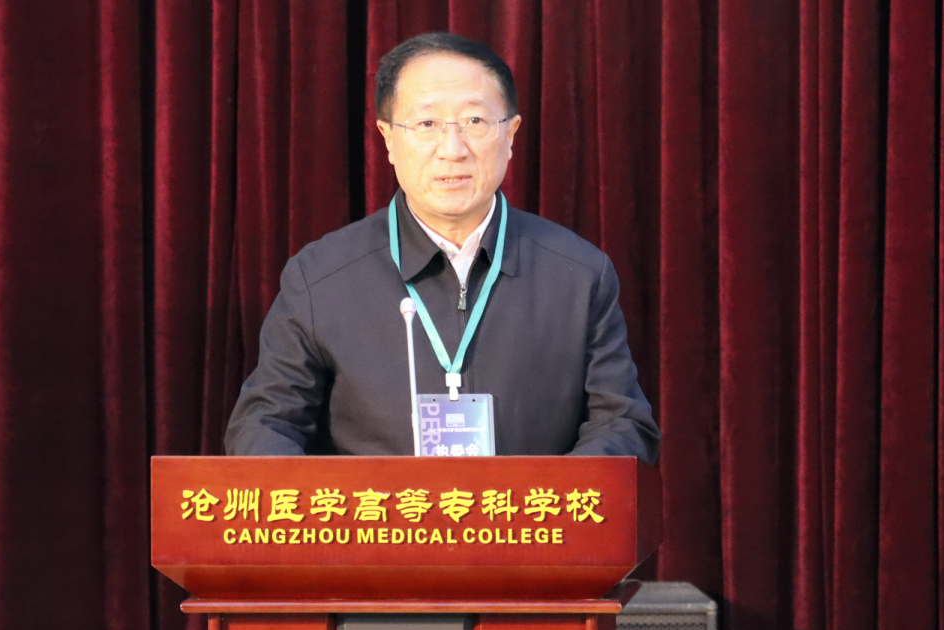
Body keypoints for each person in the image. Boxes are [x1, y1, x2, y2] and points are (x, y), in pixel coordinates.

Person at [225, 32, 660, 460]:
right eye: (427, 124)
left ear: (511, 134)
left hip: (529, 510)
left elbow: (622, 423)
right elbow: (265, 424)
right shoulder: (321, 277)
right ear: (388, 138)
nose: (453, 150)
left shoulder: (579, 275)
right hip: (380, 511)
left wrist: (544, 500)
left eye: (475, 122)